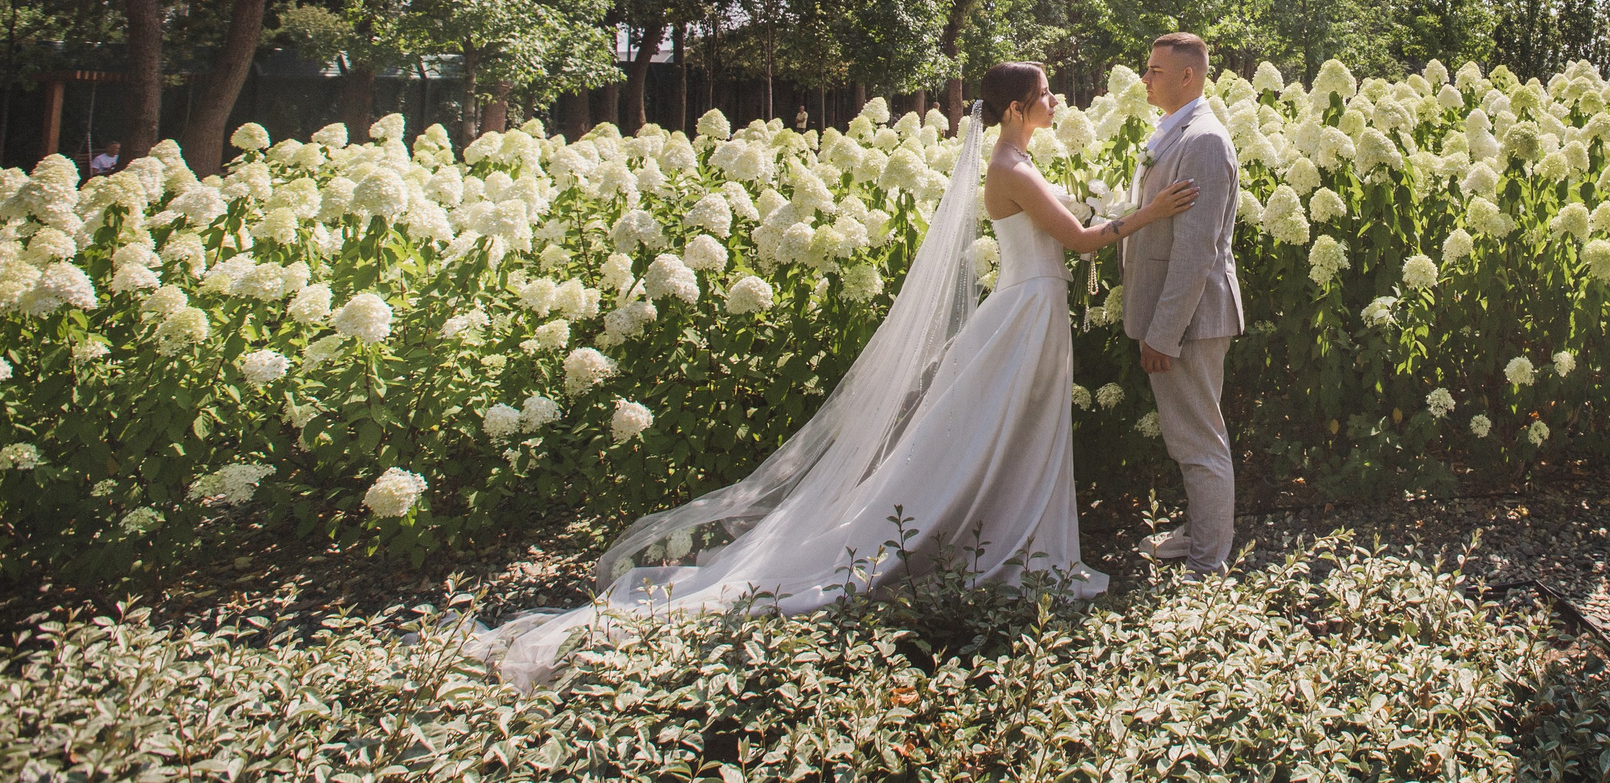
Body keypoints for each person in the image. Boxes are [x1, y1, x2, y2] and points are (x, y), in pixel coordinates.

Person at [468, 61, 1194, 690]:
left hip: (1031, 308)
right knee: (1010, 434)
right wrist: (1146, 212)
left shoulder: (1018, 165)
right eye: (1045, 94)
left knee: (1020, 434)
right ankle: (1013, 548)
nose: (1055, 102)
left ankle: (1021, 542)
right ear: (1013, 108)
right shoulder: (1010, 169)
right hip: (1028, 309)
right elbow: (1081, 238)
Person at [1123, 32, 1246, 575]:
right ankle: (1200, 534)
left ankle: (1207, 562)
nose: (1144, 79)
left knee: (1200, 443)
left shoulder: (1204, 141)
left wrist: (1163, 332)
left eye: (1153, 70)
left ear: (1186, 77)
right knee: (1191, 436)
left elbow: (1197, 252)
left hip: (1190, 321)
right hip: (1180, 318)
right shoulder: (1176, 132)